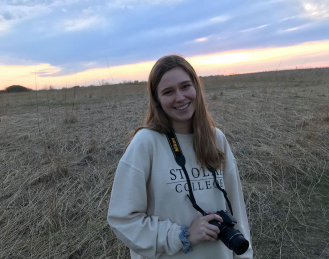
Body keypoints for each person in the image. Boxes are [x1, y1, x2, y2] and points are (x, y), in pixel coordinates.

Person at [107, 55, 253, 259]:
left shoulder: (216, 138)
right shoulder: (146, 143)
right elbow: (122, 219)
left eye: (185, 86)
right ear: (156, 99)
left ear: (196, 88)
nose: (180, 97)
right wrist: (181, 236)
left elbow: (236, 208)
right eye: (168, 92)